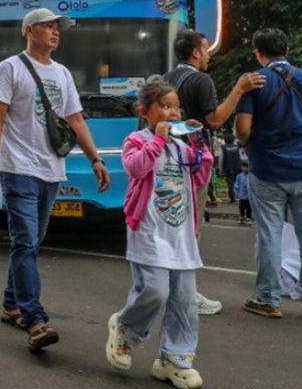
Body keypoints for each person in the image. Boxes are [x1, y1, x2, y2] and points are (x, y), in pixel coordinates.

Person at [0, 7, 113, 353]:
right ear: (29, 30)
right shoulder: (9, 69)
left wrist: (96, 159)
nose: (56, 32)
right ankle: (35, 319)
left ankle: (11, 303)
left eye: (58, 28)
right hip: (18, 168)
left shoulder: (63, 73)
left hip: (51, 169)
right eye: (48, 26)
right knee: (25, 241)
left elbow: (76, 120)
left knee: (32, 241)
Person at [105, 81, 212, 389]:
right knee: (154, 291)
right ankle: (125, 328)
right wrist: (158, 141)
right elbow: (136, 168)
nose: (173, 112)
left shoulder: (181, 147)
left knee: (184, 301)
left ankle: (175, 360)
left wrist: (199, 144)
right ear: (144, 112)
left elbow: (201, 175)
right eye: (165, 106)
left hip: (180, 234)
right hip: (150, 231)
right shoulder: (136, 140)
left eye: (176, 106)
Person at [234, 27, 302, 322]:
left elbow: (242, 130)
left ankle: (268, 299)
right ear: (288, 50)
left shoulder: (253, 82)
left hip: (266, 170)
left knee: (269, 235)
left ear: (258, 53)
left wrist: (246, 141)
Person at [161, 29, 265, 315]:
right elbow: (216, 120)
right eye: (206, 50)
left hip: (166, 161)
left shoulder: (166, 78)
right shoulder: (201, 80)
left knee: (173, 227)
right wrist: (239, 89)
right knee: (190, 229)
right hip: (191, 163)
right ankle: (186, 295)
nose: (209, 55)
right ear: (195, 53)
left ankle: (169, 290)